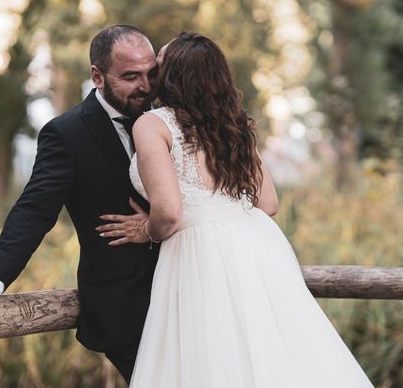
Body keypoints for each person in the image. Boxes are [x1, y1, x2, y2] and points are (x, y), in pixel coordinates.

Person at [118, 32, 374, 387]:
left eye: (159, 64)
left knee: (208, 356)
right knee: (268, 350)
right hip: (255, 246)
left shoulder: (153, 124)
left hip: (199, 255)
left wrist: (145, 229)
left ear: (173, 75)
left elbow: (170, 213)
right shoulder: (233, 124)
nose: (152, 72)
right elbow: (268, 203)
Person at [0, 24, 160, 383]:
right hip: (125, 305)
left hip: (185, 283)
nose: (147, 86)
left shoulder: (170, 116)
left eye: (151, 73)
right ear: (98, 76)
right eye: (131, 76)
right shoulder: (67, 133)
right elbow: (34, 210)